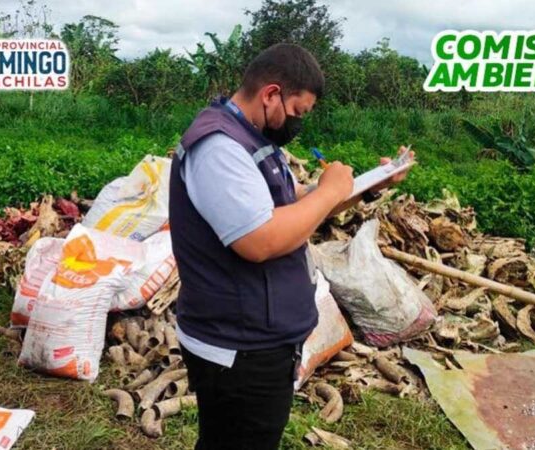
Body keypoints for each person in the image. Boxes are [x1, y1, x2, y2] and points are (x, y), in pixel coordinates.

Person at [169, 43, 413, 450]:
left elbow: (297, 202)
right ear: (270, 94)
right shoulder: (219, 148)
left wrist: (370, 185)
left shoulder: (252, 138)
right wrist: (331, 190)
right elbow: (260, 239)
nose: (298, 123)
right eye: (298, 112)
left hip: (255, 339)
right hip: (238, 347)